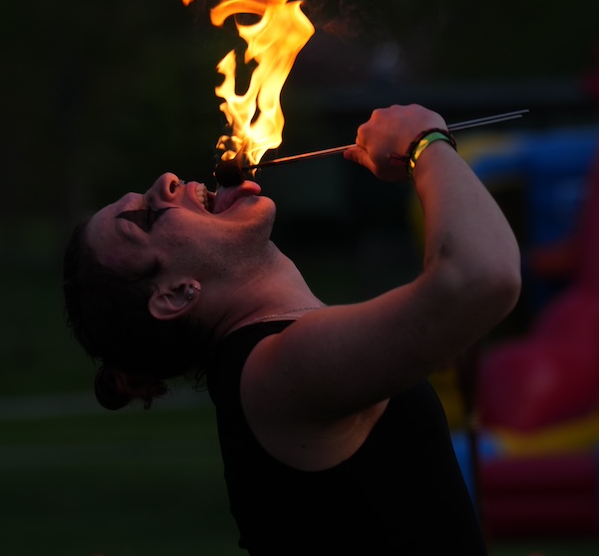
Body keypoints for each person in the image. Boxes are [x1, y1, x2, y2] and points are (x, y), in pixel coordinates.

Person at [63, 103, 521, 555]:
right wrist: (427, 143)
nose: (165, 181)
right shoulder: (278, 370)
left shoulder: (270, 362)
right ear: (176, 293)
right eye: (144, 219)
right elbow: (480, 277)